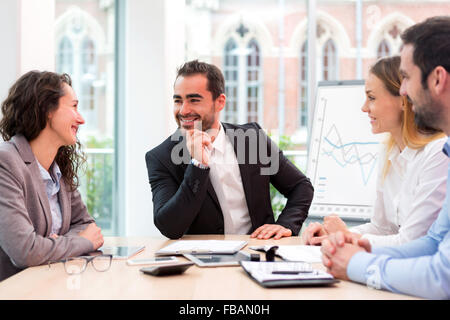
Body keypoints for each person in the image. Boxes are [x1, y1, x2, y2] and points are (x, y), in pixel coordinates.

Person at [321, 16, 450, 299]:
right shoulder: (408, 151)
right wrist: (353, 243)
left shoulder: (437, 154)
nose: (404, 90)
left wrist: (356, 261)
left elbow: (443, 277)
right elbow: (431, 243)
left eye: (407, 78)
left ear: (438, 79)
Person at [145, 60, 313, 239]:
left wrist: (286, 225)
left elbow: (301, 187)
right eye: (178, 101)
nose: (183, 110)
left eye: (194, 100)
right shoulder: (161, 157)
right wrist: (197, 166)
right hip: (203, 260)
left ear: (220, 102)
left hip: (257, 252)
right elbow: (169, 226)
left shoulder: (253, 140)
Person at [302, 56, 448, 248]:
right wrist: (333, 236)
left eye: (371, 98)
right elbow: (382, 229)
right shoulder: (390, 152)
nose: (364, 108)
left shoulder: (438, 153)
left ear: (404, 99)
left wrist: (346, 236)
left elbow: (412, 241)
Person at [0, 71, 104, 281]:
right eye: (74, 106)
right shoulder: (6, 162)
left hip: (52, 284)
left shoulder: (56, 166)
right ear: (47, 109)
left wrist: (50, 245)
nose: (81, 119)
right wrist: (80, 243)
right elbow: (25, 251)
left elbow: (87, 226)